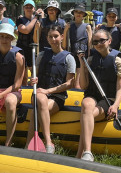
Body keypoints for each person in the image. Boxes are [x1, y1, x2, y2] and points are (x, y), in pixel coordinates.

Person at [76, 29, 121, 161]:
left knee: (87, 116)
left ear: (109, 41)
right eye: (95, 42)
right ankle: (87, 152)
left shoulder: (118, 62)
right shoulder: (90, 60)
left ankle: (80, 154)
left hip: (108, 98)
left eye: (102, 41)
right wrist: (82, 63)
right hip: (93, 95)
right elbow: (84, 86)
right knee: (86, 105)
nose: (98, 44)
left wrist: (115, 105)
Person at [25, 24, 75, 153]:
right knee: (41, 99)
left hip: (57, 97)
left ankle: (29, 144)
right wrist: (33, 80)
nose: (53, 39)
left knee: (37, 110)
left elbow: (70, 84)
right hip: (39, 93)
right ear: (47, 38)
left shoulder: (69, 58)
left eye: (56, 36)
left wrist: (48, 91)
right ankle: (48, 142)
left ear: (62, 37)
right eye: (50, 37)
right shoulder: (41, 55)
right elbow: (34, 77)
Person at [63, 3, 92, 89]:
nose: (79, 14)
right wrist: (65, 30)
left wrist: (89, 56)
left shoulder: (87, 27)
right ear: (74, 13)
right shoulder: (69, 26)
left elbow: (90, 43)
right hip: (72, 55)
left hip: (83, 55)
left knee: (78, 83)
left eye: (81, 12)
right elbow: (64, 44)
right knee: (70, 81)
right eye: (77, 12)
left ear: (84, 14)